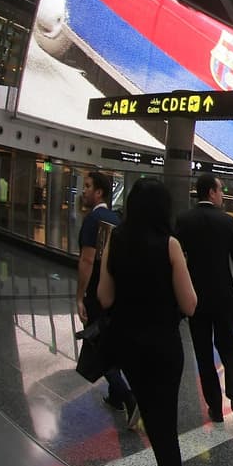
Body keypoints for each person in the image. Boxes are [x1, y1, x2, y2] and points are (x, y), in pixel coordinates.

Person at [97, 178, 198, 466]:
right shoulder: (170, 245)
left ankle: (163, 465)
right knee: (165, 420)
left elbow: (105, 298)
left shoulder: (116, 240)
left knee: (155, 419)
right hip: (164, 347)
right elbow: (190, 303)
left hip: (129, 347)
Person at [175, 175, 233, 425]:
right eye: (220, 191)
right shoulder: (227, 223)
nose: (222, 195)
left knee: (203, 353)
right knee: (229, 347)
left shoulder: (184, 221)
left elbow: (177, 260)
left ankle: (215, 408)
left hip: (195, 297)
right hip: (223, 297)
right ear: (211, 192)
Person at [74, 171, 137, 428]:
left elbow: (87, 260)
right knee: (109, 341)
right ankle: (115, 398)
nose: (84, 191)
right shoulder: (116, 220)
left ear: (99, 192)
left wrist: (80, 296)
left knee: (99, 348)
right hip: (115, 292)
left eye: (88, 186)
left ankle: (127, 396)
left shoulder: (94, 220)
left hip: (97, 293)